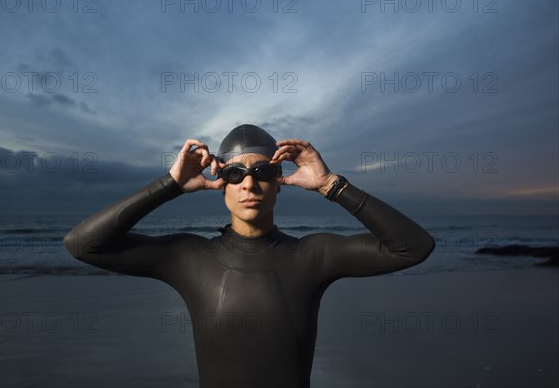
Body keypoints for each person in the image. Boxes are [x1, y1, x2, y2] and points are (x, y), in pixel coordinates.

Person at [63, 124, 435, 388]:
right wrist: (171, 185)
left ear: (279, 184)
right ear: (221, 184)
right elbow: (83, 244)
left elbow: (413, 247)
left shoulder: (314, 254)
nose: (249, 184)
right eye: (236, 173)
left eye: (262, 172)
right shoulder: (188, 257)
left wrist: (330, 185)